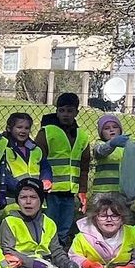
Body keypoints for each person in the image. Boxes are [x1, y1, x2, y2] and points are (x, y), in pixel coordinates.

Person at [0, 178, 76, 268]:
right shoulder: (10, 222)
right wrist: (30, 264)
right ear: (18, 200)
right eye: (23, 197)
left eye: (33, 197)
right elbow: (7, 250)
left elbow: (56, 251)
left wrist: (69, 266)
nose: (28, 202)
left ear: (41, 200)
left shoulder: (49, 223)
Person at [34, 93, 91, 245]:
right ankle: (47, 248)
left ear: (76, 112)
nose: (65, 114)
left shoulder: (82, 136)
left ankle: (62, 249)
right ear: (57, 111)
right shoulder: (47, 132)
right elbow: (37, 158)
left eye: (70, 111)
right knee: (49, 222)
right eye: (62, 110)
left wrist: (82, 190)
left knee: (66, 223)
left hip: (70, 190)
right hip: (51, 190)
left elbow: (84, 167)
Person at [0, 112, 52, 210]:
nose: (23, 131)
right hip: (14, 200)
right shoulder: (4, 149)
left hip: (36, 199)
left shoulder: (36, 149)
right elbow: (3, 174)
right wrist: (23, 188)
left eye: (26, 128)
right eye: (19, 127)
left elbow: (45, 167)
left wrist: (46, 179)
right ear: (9, 128)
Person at [90, 114, 128, 198]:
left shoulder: (126, 146)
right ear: (101, 133)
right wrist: (112, 144)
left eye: (115, 127)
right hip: (102, 190)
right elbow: (101, 152)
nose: (111, 130)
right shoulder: (100, 144)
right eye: (106, 128)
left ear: (120, 130)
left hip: (122, 190)